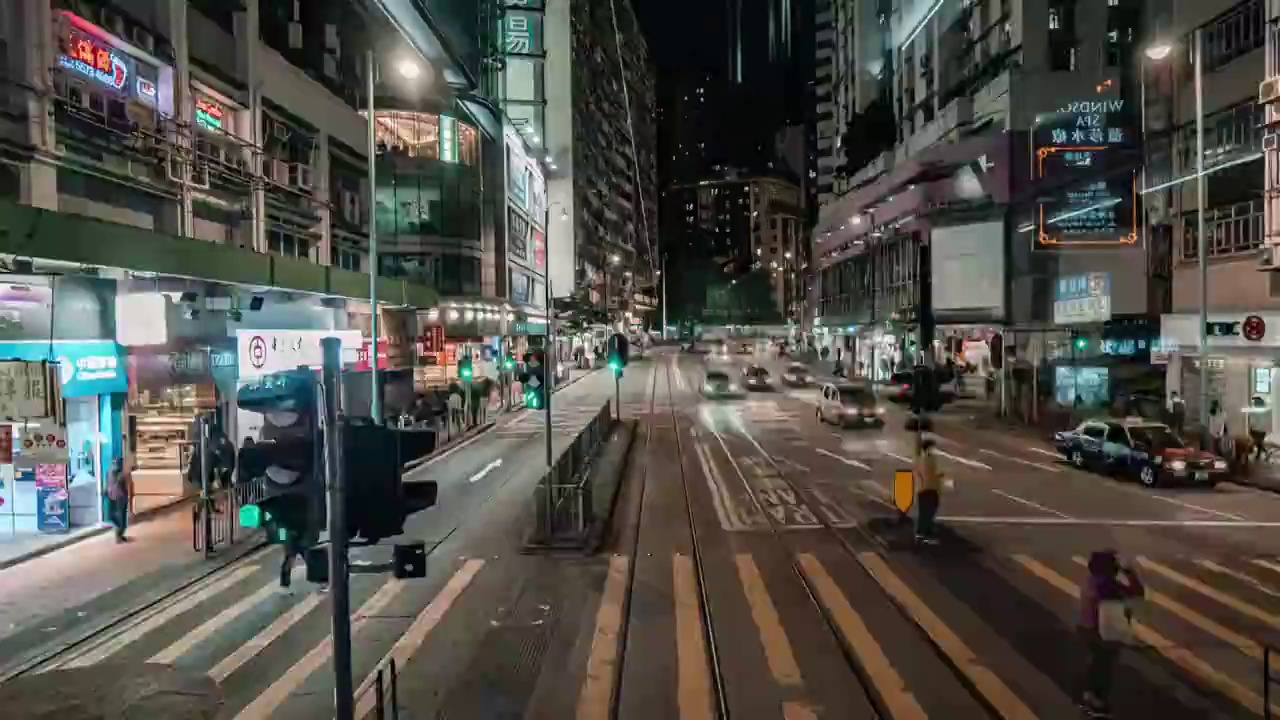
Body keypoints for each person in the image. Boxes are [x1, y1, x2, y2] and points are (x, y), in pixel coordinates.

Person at [1078, 550, 1144, 717]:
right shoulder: (1108, 585)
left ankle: (1090, 698)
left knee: (1097, 665)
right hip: (1104, 631)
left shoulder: (1092, 581)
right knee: (1104, 668)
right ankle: (1097, 702)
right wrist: (1129, 572)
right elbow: (1137, 592)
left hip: (1089, 629)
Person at [913, 436, 944, 543]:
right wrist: (938, 475)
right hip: (928, 489)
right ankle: (923, 535)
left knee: (926, 512)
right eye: (932, 447)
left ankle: (923, 533)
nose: (934, 449)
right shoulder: (926, 459)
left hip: (925, 489)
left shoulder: (925, 458)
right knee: (927, 512)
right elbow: (928, 475)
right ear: (928, 448)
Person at [105, 457, 133, 543]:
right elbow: (107, 484)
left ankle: (119, 535)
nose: (115, 465)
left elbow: (128, 486)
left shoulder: (123, 474)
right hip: (113, 497)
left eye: (116, 463)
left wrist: (129, 498)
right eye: (114, 462)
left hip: (120, 498)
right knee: (113, 516)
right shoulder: (109, 473)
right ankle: (119, 533)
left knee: (121, 518)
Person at [1249, 395, 1272, 461]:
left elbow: (1254, 420)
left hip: (1258, 429)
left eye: (1255, 402)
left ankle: (1264, 453)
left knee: (1257, 442)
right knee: (1259, 443)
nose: (1254, 403)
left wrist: (1251, 427)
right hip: (1260, 430)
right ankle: (1262, 454)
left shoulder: (1258, 410)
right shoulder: (1263, 409)